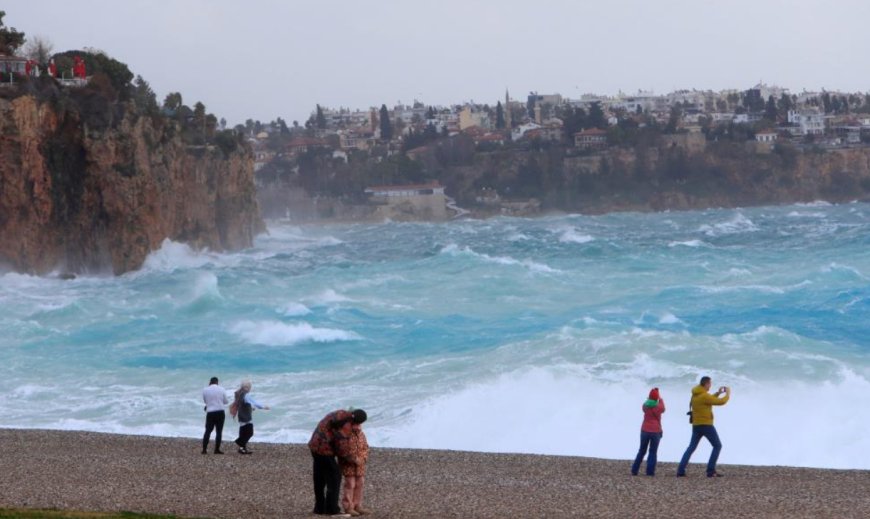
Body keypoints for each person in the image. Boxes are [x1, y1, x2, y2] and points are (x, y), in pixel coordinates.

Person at [308, 408, 368, 516]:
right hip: (324, 450)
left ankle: (319, 508)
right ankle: (332, 510)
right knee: (335, 476)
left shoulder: (341, 413)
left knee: (319, 477)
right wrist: (355, 460)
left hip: (314, 444)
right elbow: (343, 449)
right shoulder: (346, 426)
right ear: (357, 422)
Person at [676, 376, 731, 477]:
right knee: (717, 446)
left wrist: (718, 393)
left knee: (691, 447)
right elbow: (721, 402)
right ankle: (710, 470)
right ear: (706, 384)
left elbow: (709, 400)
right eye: (710, 384)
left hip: (696, 425)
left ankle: (680, 470)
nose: (710, 386)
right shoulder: (704, 396)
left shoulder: (695, 394)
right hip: (706, 425)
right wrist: (728, 393)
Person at [631, 387, 665, 476]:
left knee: (642, 451)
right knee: (653, 452)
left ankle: (634, 470)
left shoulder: (645, 406)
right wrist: (660, 397)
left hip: (644, 430)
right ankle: (650, 472)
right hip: (655, 431)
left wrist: (652, 396)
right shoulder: (658, 407)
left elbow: (648, 402)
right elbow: (663, 408)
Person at [340, 418, 371, 516]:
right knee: (350, 484)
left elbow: (365, 447)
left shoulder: (361, 434)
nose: (357, 427)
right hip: (349, 465)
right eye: (355, 425)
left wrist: (363, 458)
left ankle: (357, 505)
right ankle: (348, 507)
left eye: (359, 425)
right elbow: (344, 450)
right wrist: (354, 459)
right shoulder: (347, 434)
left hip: (360, 465)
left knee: (360, 483)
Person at [229, 380, 270, 454]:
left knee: (243, 433)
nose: (250, 389)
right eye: (249, 387)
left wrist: (253, 407)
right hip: (246, 416)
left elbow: (249, 402)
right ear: (246, 388)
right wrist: (263, 407)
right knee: (250, 433)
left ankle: (242, 449)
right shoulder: (245, 395)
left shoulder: (239, 394)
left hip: (241, 415)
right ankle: (239, 442)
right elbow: (251, 402)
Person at [201, 376, 228, 454]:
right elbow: (226, 401)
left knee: (208, 431)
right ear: (217, 382)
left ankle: (204, 449)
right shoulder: (222, 389)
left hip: (210, 412)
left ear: (210, 382)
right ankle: (216, 449)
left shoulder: (205, 390)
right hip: (220, 412)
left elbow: (205, 401)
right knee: (219, 431)